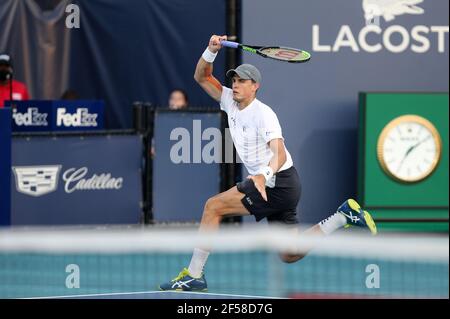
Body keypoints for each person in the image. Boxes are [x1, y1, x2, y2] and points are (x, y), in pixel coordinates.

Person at [159, 35, 377, 292]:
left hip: (278, 183)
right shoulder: (229, 100)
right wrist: (210, 50)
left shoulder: (264, 114)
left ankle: (194, 275)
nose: (236, 84)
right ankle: (342, 217)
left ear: (255, 86)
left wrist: (263, 175)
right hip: (283, 185)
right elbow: (202, 77)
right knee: (290, 253)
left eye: (242, 81)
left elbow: (280, 153)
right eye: (234, 80)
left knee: (213, 207)